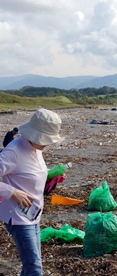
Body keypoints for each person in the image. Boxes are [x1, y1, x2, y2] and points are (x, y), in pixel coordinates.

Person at [0, 108, 63, 276]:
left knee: (32, 265)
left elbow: (29, 175)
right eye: (46, 139)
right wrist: (12, 191)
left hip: (33, 214)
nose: (48, 143)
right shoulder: (13, 152)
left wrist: (51, 178)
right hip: (18, 217)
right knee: (34, 269)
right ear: (35, 135)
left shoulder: (35, 149)